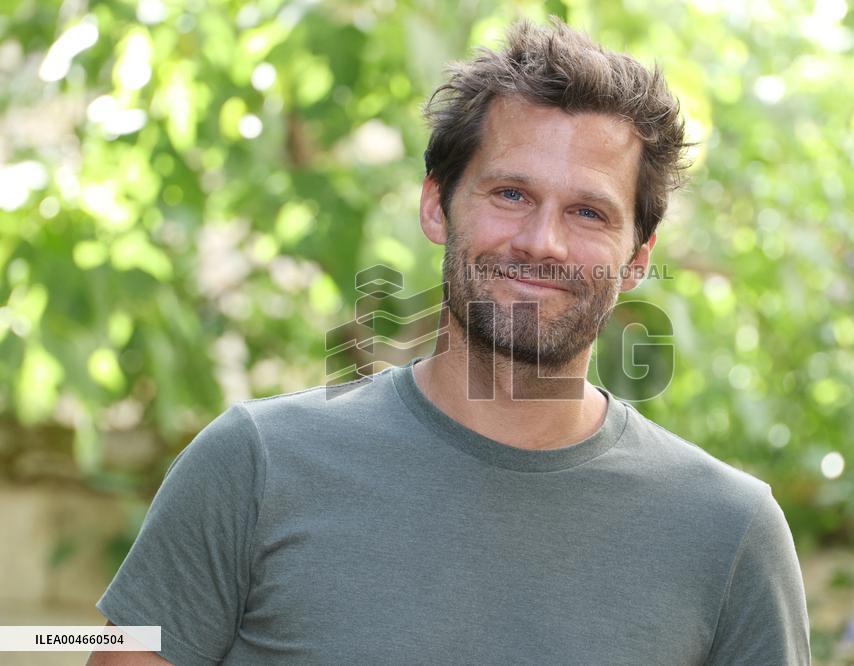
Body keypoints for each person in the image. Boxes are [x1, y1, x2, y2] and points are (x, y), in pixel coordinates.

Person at [89, 18, 810, 665]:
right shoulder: (253, 465)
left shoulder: (730, 534)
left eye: (589, 212)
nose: (542, 241)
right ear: (437, 205)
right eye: (511, 194)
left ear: (637, 259)